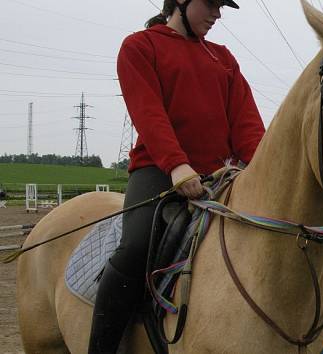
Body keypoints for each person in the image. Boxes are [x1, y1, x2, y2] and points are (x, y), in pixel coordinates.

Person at [88, 0, 265, 352]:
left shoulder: (223, 58)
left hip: (219, 175)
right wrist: (176, 165)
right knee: (135, 248)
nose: (217, 14)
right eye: (210, 4)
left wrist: (263, 168)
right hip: (159, 169)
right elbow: (148, 113)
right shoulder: (140, 47)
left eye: (220, 7)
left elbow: (247, 124)